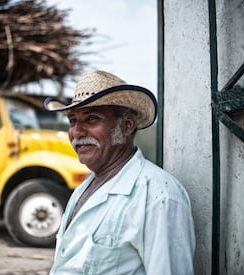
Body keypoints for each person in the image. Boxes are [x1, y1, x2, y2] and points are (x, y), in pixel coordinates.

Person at [44, 70, 195, 274]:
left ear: (127, 125)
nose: (77, 132)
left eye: (91, 119)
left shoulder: (159, 197)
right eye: (72, 121)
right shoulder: (85, 188)